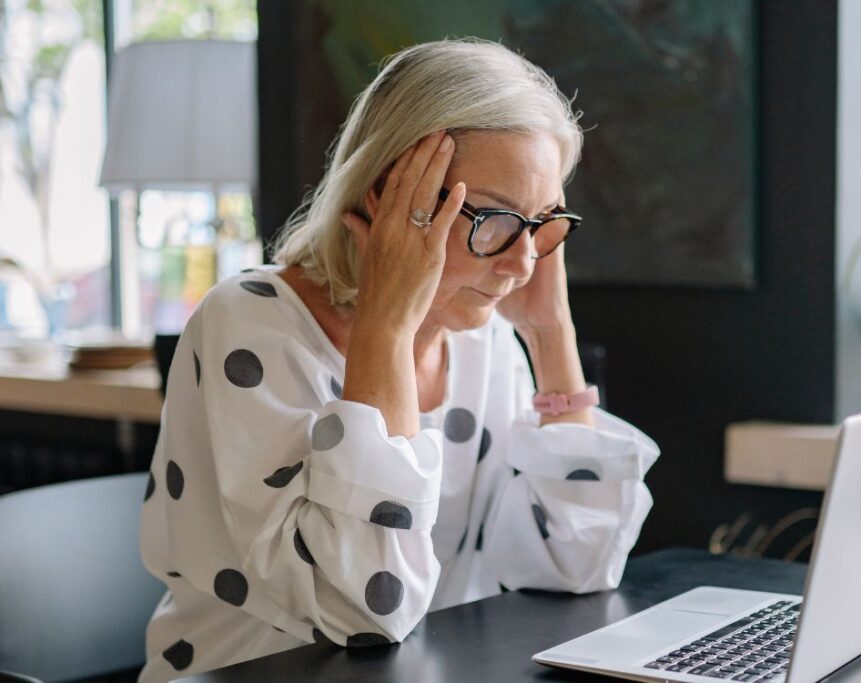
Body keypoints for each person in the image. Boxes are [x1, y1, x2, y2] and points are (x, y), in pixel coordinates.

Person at [138, 38, 659, 681]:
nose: (523, 262)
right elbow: (361, 612)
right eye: (494, 218)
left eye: (543, 221)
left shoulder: (485, 340)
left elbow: (579, 565)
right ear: (388, 196)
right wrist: (385, 330)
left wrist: (552, 334)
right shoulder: (250, 327)